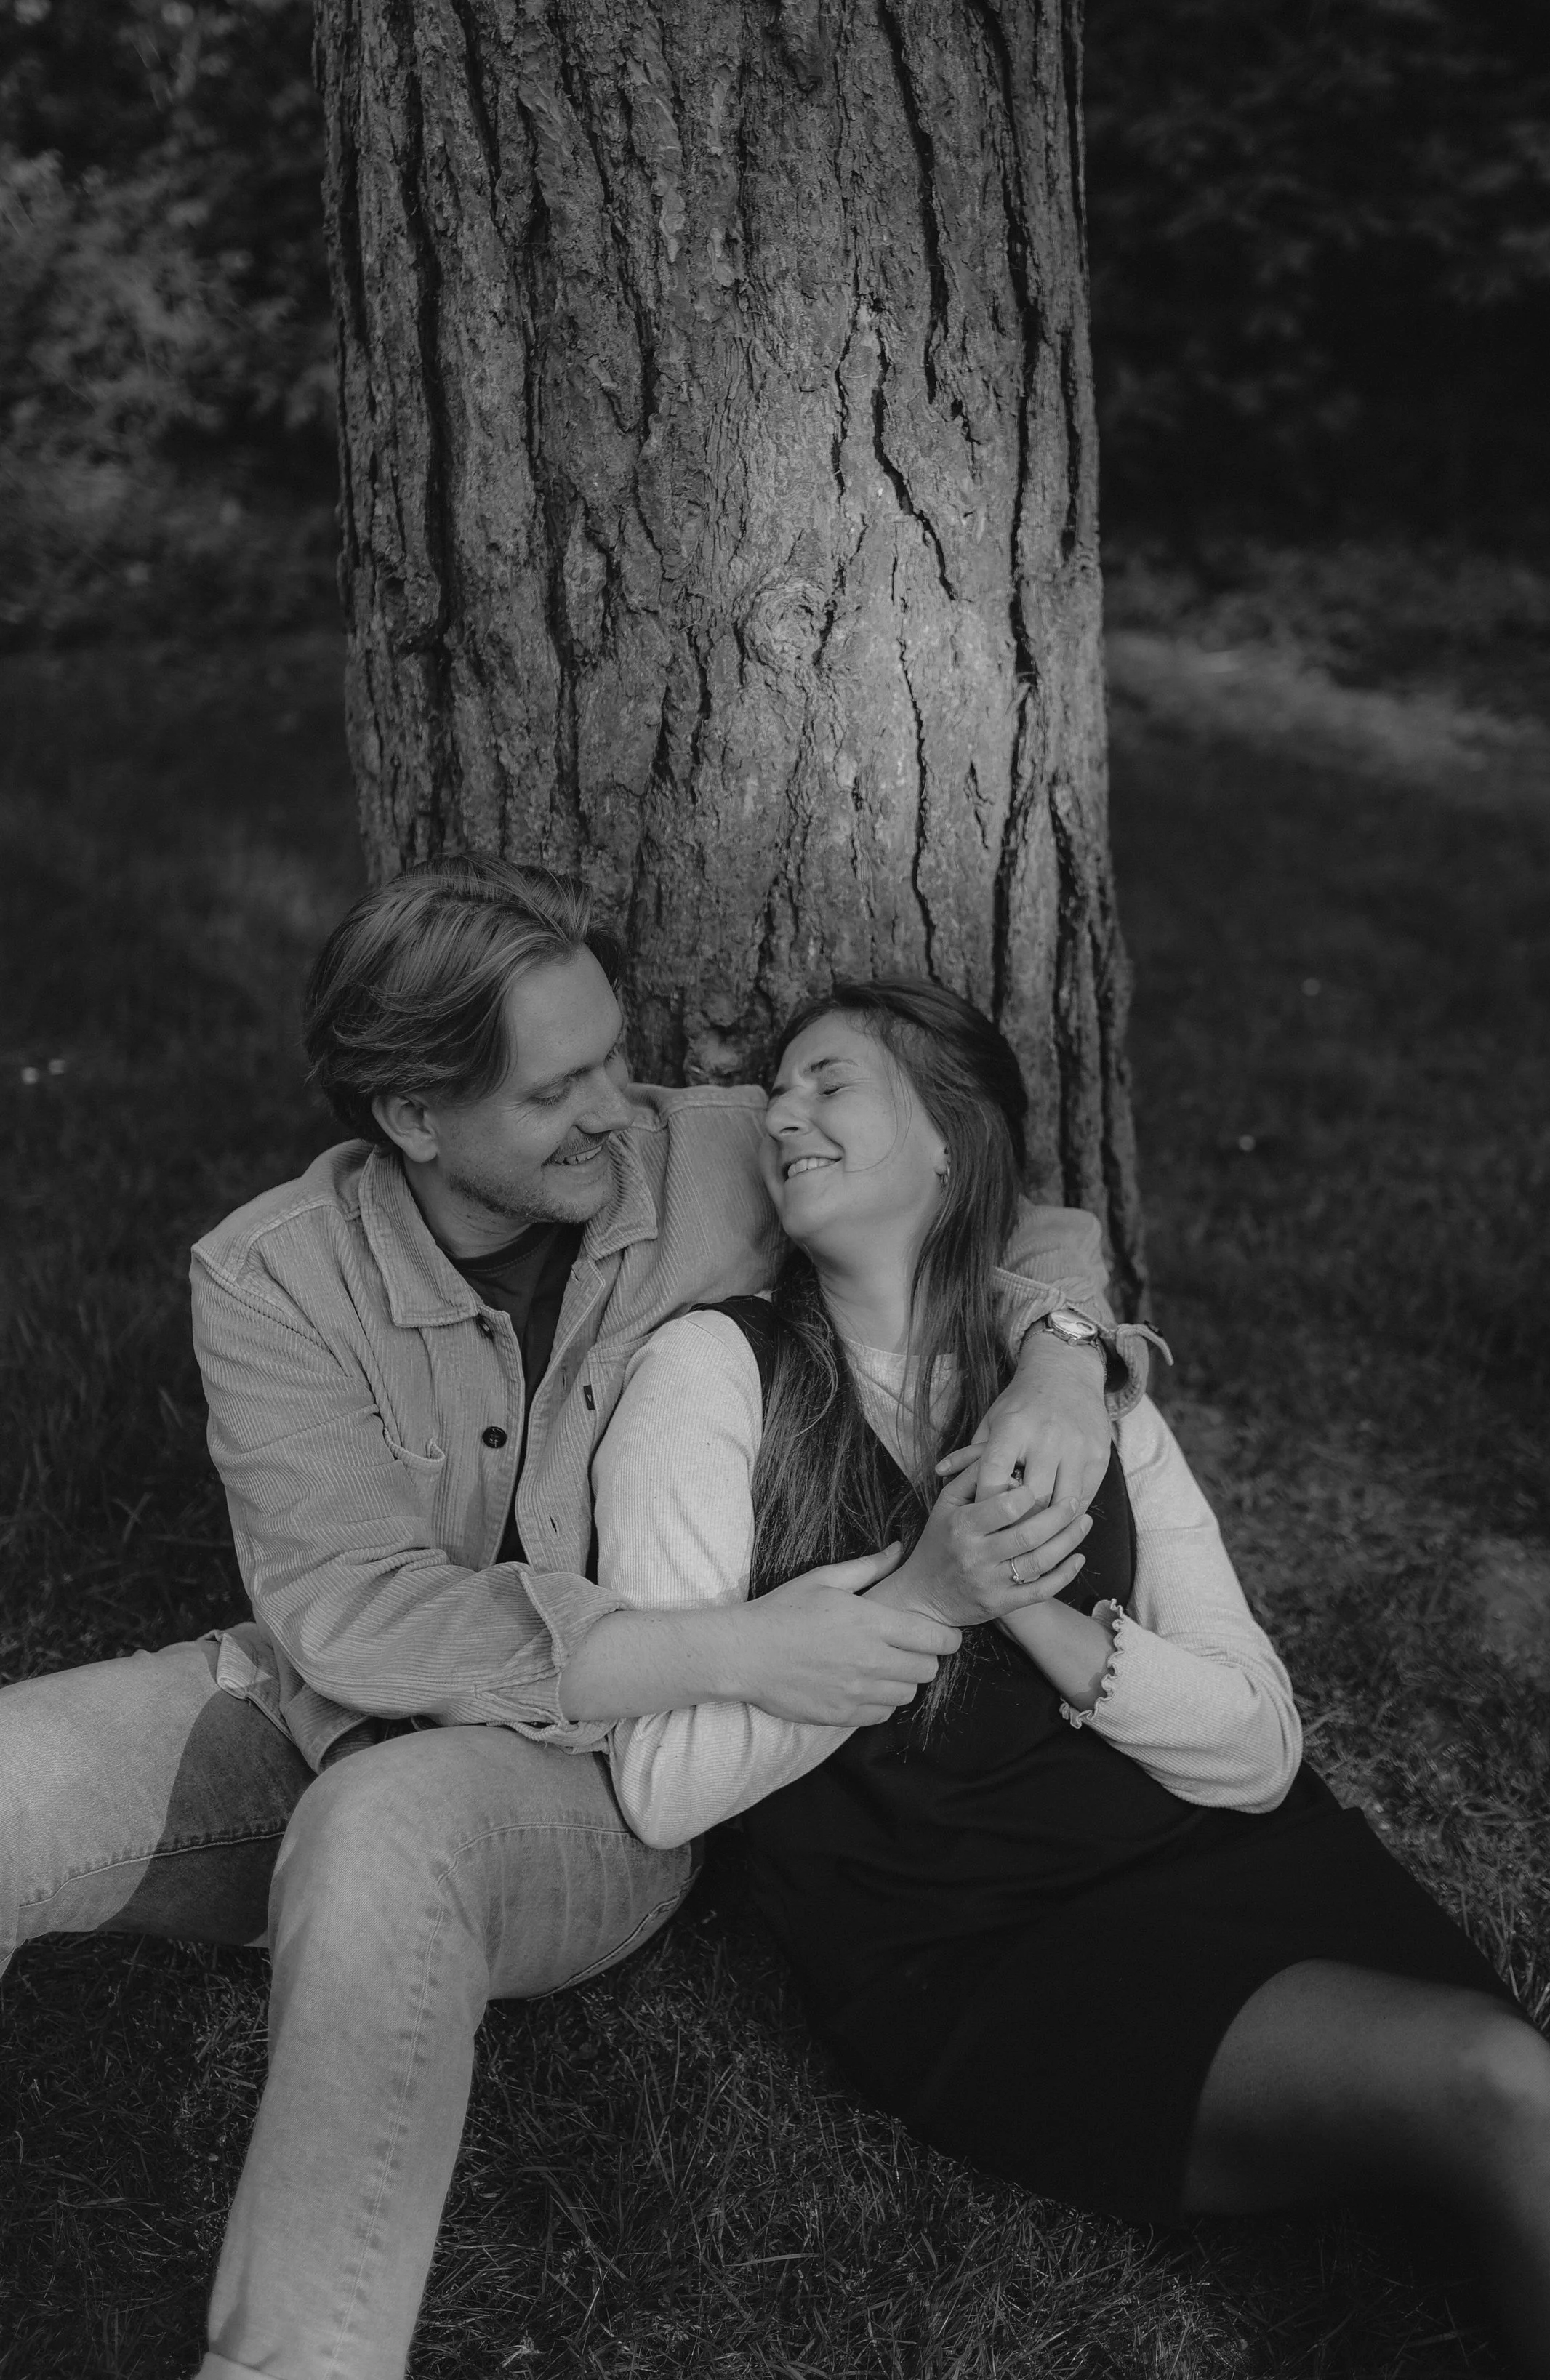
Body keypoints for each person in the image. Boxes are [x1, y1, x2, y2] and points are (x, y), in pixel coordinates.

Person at [0, 857, 1149, 2380]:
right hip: (315, 1707)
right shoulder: (272, 1277)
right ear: (413, 1119)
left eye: (615, 1055)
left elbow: (1015, 1211)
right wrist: (738, 1651)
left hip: (586, 1782)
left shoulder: (713, 1151)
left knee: (389, 1824)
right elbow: (350, 1609)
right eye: (557, 1092)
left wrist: (1065, 1357)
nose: (619, 1108)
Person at [589, 975, 1550, 2380]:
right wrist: (927, 1598)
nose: (781, 1115)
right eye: (777, 1093)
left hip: (1233, 1854)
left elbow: (1259, 1745)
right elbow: (660, 1779)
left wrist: (1050, 1621)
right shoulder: (714, 1376)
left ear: (950, 1140)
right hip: (984, 1953)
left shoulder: (1073, 1377)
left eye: (828, 1082)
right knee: (1493, 2084)